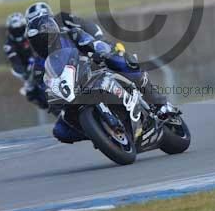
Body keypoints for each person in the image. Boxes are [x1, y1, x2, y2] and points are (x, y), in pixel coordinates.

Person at [24, 9, 178, 144]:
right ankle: (102, 132)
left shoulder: (71, 34)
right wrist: (51, 98)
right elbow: (44, 86)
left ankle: (159, 103)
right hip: (73, 94)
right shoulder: (38, 65)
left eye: (43, 38)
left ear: (52, 32)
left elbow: (92, 42)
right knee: (60, 131)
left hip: (93, 71)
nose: (40, 44)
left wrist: (101, 51)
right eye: (35, 41)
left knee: (123, 62)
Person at [2, 13, 48, 109]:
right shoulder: (9, 45)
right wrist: (23, 71)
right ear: (10, 30)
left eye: (19, 29)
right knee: (29, 90)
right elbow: (14, 60)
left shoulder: (31, 33)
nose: (18, 32)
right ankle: (43, 102)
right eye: (15, 30)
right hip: (27, 69)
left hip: (43, 59)